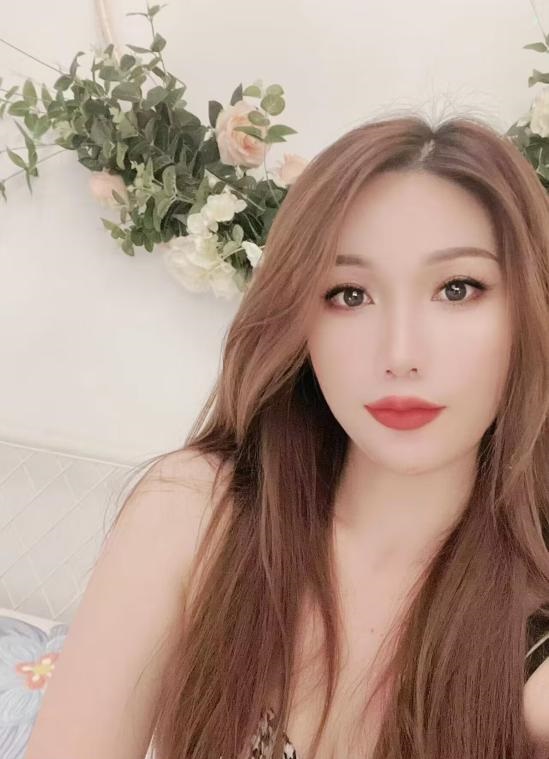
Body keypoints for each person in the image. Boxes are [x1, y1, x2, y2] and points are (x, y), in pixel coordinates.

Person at [23, 112, 549, 759]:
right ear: (299, 318)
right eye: (349, 294)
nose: (400, 354)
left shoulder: (529, 648)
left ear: (529, 310)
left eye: (457, 288)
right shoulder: (196, 514)